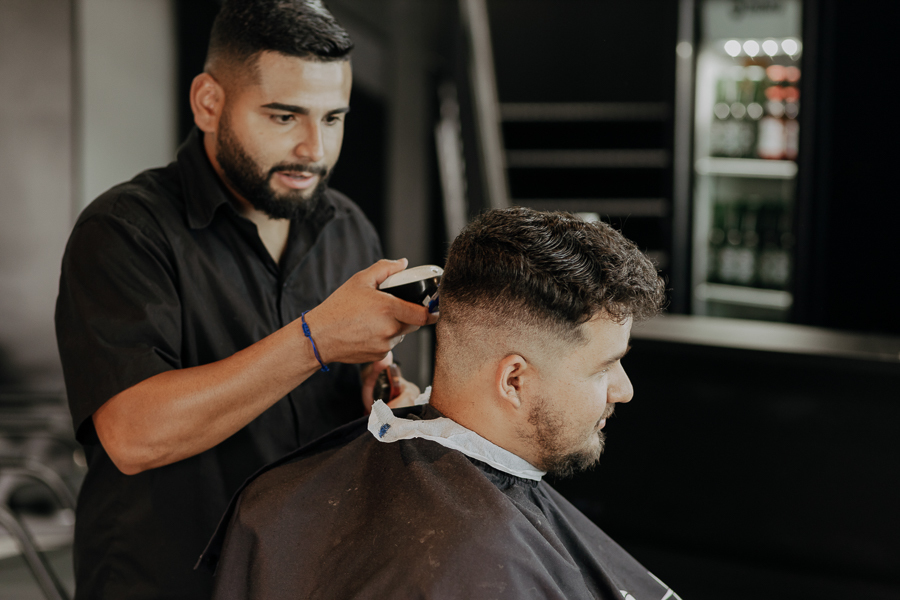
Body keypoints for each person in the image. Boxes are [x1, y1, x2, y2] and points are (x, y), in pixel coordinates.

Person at [54, 1, 434, 598]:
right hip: (171, 582)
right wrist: (316, 340)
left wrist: (378, 384)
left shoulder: (347, 226)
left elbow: (354, 374)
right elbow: (133, 437)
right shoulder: (123, 230)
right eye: (285, 117)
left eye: (333, 118)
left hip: (309, 573)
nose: (315, 148)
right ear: (209, 103)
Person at [199, 208, 679, 600]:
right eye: (604, 367)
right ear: (513, 380)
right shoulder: (476, 568)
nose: (624, 389)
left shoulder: (276, 501)